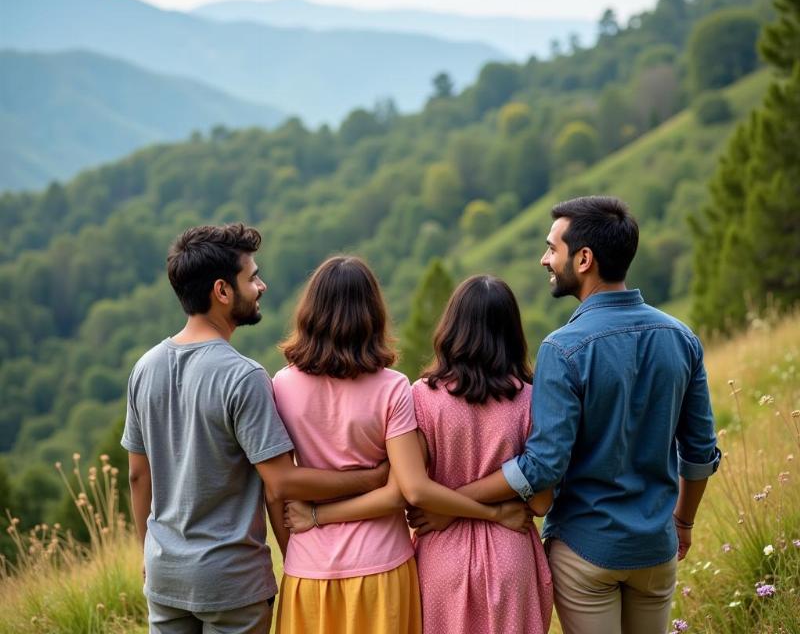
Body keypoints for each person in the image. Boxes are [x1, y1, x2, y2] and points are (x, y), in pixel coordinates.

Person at [410, 196, 720, 634]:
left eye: (552, 248)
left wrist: (455, 502)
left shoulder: (563, 348)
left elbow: (543, 466)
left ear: (584, 258)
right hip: (655, 547)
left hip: (585, 549)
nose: (545, 259)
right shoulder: (681, 338)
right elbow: (701, 451)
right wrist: (683, 522)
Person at [122, 224, 389, 634]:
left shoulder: (145, 368)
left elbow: (139, 475)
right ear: (222, 291)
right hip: (232, 583)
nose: (260, 286)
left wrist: (148, 550)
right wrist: (372, 477)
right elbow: (281, 482)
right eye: (252, 277)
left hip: (164, 576)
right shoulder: (243, 376)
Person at [272, 256, 533, 634]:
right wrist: (493, 514)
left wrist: (309, 527)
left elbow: (275, 488)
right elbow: (403, 492)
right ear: (373, 314)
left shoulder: (280, 385)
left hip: (307, 569)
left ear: (308, 312)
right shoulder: (392, 387)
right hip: (383, 564)